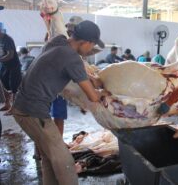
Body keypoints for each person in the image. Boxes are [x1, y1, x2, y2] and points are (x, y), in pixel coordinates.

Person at [11, 20, 109, 185]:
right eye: (91, 46)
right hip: (33, 112)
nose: (91, 50)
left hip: (21, 106)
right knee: (65, 163)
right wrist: (104, 93)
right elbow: (93, 97)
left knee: (50, 157)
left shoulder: (58, 42)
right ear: (84, 42)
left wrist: (96, 80)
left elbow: (82, 75)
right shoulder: (72, 58)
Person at [0, 26, 22, 116]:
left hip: (13, 66)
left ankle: (14, 108)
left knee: (14, 88)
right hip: (4, 65)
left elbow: (10, 55)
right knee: (2, 85)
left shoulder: (7, 39)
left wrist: (0, 59)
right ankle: (7, 104)